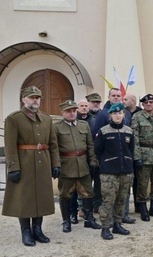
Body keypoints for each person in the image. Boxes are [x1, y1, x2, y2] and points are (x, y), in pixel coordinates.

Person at [2, 86, 61, 246]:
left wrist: (55, 164)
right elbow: (10, 146)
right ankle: (26, 232)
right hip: (24, 163)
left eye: (37, 97)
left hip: (43, 163)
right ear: (24, 99)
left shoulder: (47, 119)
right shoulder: (14, 118)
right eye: (32, 97)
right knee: (24, 198)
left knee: (40, 197)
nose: (35, 100)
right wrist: (13, 167)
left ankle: (37, 229)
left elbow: (53, 144)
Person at [54, 100, 102, 233]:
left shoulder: (84, 125)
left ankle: (89, 219)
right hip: (66, 166)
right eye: (68, 111)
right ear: (62, 112)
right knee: (65, 195)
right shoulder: (57, 127)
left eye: (74, 110)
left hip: (83, 165)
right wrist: (56, 165)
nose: (72, 113)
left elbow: (90, 145)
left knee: (87, 193)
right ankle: (66, 221)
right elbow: (54, 148)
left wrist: (93, 160)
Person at [92, 88, 135, 224]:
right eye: (115, 113)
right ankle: (106, 224)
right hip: (109, 169)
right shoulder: (103, 124)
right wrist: (104, 163)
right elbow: (97, 149)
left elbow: (131, 149)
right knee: (108, 198)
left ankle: (120, 221)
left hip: (125, 169)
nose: (118, 115)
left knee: (122, 198)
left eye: (120, 113)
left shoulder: (128, 127)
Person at [131, 94, 153, 221]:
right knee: (142, 184)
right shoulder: (137, 117)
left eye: (151, 102)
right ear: (143, 105)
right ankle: (143, 209)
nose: (149, 104)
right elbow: (135, 139)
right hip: (144, 155)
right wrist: (137, 157)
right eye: (146, 103)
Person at [123, 93, 143, 218]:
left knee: (138, 180)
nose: (123, 101)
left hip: (139, 151)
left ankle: (138, 205)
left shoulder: (141, 113)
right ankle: (124, 211)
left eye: (126, 99)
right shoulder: (122, 113)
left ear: (133, 101)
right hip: (126, 151)